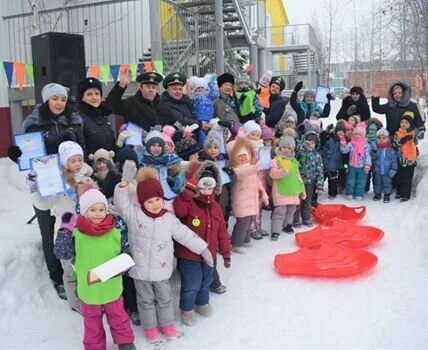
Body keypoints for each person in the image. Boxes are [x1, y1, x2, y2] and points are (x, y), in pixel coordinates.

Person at [114, 167, 211, 341]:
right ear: (141, 202)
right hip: (140, 270)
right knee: (145, 301)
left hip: (162, 269)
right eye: (149, 201)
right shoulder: (134, 216)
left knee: (165, 299)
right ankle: (150, 329)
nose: (155, 204)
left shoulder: (169, 219)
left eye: (158, 199)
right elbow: (121, 204)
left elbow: (185, 235)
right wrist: (123, 185)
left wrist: (203, 249)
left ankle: (167, 325)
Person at [7, 83, 85, 300]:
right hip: (44, 184)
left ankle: (74, 270)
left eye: (62, 98)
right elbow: (27, 153)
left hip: (69, 186)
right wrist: (17, 155)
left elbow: (82, 150)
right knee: (48, 231)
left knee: (70, 228)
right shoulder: (33, 123)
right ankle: (57, 276)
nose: (59, 103)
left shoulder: (75, 120)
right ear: (46, 100)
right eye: (55, 98)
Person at [54, 188, 136, 350]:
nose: (98, 213)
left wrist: (125, 263)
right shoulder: (77, 234)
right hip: (89, 292)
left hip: (111, 289)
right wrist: (64, 231)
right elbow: (61, 253)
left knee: (119, 318)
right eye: (92, 210)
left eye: (101, 209)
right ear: (84, 212)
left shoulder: (115, 232)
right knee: (92, 324)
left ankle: (125, 342)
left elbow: (126, 255)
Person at [173, 161, 231, 326]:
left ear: (215, 188)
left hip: (209, 255)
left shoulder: (216, 208)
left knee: (205, 281)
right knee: (191, 284)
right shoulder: (188, 203)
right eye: (202, 187)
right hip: (189, 256)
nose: (206, 192)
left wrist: (226, 253)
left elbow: (222, 233)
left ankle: (202, 303)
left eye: (209, 188)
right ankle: (187, 308)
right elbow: (179, 211)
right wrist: (186, 194)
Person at [228, 138, 268, 253]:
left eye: (245, 155)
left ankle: (245, 239)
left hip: (252, 200)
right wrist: (254, 168)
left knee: (249, 220)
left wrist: (264, 195)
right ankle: (236, 243)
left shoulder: (251, 168)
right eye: (240, 156)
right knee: (242, 222)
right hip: (241, 201)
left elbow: (258, 183)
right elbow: (241, 173)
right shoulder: (235, 170)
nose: (243, 158)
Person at [105, 68, 173, 131]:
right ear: (141, 88)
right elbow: (111, 104)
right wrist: (121, 85)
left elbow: (170, 123)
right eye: (148, 87)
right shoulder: (131, 103)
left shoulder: (162, 105)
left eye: (153, 87)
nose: (151, 90)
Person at [269, 136, 306, 240]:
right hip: (281, 191)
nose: (287, 150)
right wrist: (281, 172)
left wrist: (302, 189)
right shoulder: (276, 161)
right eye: (284, 147)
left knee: (291, 209)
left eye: (289, 148)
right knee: (280, 211)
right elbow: (272, 174)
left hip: (293, 191)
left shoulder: (294, 161)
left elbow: (298, 176)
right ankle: (275, 230)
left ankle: (287, 225)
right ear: (280, 147)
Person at [76, 77, 117, 157]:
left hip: (108, 165)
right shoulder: (78, 119)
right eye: (89, 94)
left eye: (97, 93)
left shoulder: (103, 116)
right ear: (81, 97)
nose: (94, 97)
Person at [339, 122, 372, 201]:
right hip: (352, 166)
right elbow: (344, 150)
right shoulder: (351, 144)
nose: (357, 136)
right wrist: (343, 142)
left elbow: (368, 156)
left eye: (359, 134)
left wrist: (367, 165)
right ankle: (350, 193)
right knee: (350, 180)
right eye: (356, 134)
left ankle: (359, 194)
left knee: (361, 181)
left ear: (363, 135)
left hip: (362, 167)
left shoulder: (366, 145)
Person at [392, 112, 418, 202]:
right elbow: (394, 145)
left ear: (410, 124)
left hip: (410, 160)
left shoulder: (413, 133)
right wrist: (402, 140)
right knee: (399, 176)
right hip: (400, 159)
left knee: (407, 178)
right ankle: (399, 192)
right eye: (402, 122)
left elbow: (417, 140)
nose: (403, 124)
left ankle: (405, 194)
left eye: (406, 122)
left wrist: (414, 135)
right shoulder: (397, 133)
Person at [371, 128, 398, 203]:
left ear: (388, 138)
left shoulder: (390, 149)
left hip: (387, 170)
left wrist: (394, 169)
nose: (381, 139)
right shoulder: (376, 148)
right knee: (377, 182)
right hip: (377, 170)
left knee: (387, 182)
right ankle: (377, 193)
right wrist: (374, 151)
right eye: (379, 138)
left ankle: (387, 194)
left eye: (384, 137)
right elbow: (373, 158)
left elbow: (394, 160)